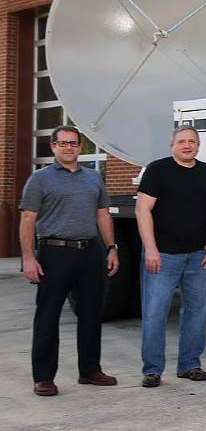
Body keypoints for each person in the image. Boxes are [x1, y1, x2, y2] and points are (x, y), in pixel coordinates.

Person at [19, 125, 120, 396]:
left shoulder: (93, 177)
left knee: (91, 314)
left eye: (73, 143)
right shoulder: (39, 179)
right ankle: (43, 377)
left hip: (90, 252)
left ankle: (90, 371)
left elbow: (102, 215)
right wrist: (28, 258)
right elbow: (28, 219)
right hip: (54, 253)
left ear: (80, 147)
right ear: (53, 147)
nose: (68, 147)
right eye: (63, 143)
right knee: (48, 317)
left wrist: (111, 248)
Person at [135, 125, 206, 388]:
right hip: (162, 256)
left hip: (198, 256)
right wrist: (150, 248)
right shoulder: (157, 170)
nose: (187, 146)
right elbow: (142, 210)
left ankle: (190, 365)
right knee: (154, 313)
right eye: (182, 141)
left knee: (197, 311)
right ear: (172, 145)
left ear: (198, 146)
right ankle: (152, 370)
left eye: (192, 142)